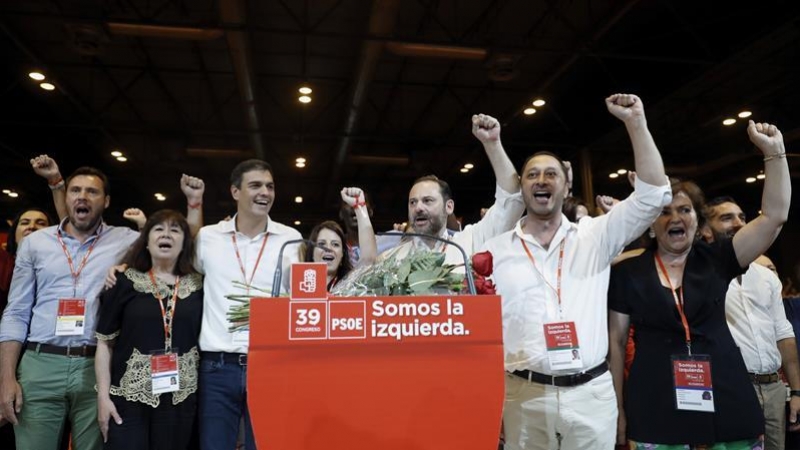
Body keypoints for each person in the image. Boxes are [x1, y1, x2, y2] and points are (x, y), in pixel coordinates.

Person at [481, 94, 671, 450]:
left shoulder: (596, 235)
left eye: (551, 174)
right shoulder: (493, 251)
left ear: (566, 186)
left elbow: (653, 196)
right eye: (532, 175)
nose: (541, 180)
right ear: (522, 189)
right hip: (523, 396)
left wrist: (636, 123)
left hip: (591, 396)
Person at [608, 120, 791, 448]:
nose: (675, 217)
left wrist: (774, 154)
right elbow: (617, 344)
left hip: (726, 394)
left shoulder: (719, 258)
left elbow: (774, 216)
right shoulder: (628, 273)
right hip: (654, 402)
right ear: (651, 225)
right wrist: (618, 408)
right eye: (664, 212)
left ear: (697, 221)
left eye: (684, 210)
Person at [0, 164, 204, 450]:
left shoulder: (124, 240)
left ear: (105, 201)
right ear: (66, 196)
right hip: (40, 364)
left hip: (94, 366)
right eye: (75, 190)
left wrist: (194, 204)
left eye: (92, 191)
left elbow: (180, 244)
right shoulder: (36, 243)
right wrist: (5, 377)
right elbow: (16, 312)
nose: (82, 197)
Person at [194, 159, 302, 450]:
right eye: (255, 185)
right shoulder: (208, 238)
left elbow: (300, 300)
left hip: (271, 364)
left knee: (267, 445)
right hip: (218, 366)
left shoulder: (291, 239)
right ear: (235, 192)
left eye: (270, 186)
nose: (264, 192)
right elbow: (180, 276)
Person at [95, 210, 203, 450]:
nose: (167, 234)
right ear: (146, 240)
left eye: (175, 230)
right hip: (128, 397)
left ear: (185, 243)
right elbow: (104, 343)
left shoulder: (199, 285)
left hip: (181, 399)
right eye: (158, 229)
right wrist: (103, 398)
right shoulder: (124, 280)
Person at [701, 196, 800, 450]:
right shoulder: (699, 274)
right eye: (726, 218)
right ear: (705, 229)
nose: (738, 223)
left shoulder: (767, 277)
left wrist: (797, 391)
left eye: (742, 217)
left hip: (774, 388)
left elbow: (783, 333)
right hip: (731, 388)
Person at [380, 113, 524, 265]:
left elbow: (512, 201)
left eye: (427, 201)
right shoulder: (392, 260)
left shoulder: (469, 241)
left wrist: (493, 144)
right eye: (413, 202)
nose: (418, 208)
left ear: (449, 207)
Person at [305, 187, 377, 291]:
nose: (328, 249)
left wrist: (359, 206)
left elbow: (368, 259)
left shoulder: (350, 284)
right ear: (312, 252)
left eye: (335, 244)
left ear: (343, 254)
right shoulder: (298, 283)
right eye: (321, 244)